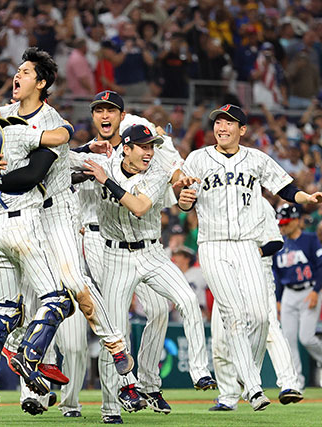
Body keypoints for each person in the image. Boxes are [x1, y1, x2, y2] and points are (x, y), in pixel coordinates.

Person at [0, 50, 132, 415]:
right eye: (16, 70)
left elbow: (35, 171)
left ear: (41, 83)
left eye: (24, 72)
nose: (16, 77)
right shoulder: (2, 114)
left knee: (75, 285)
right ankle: (27, 371)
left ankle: (116, 347)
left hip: (56, 211)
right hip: (22, 218)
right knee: (25, 296)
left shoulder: (51, 120)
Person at [178, 104, 322, 411]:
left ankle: (248, 377)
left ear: (242, 130)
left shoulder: (255, 158)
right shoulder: (198, 158)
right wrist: (184, 200)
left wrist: (306, 198)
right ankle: (254, 389)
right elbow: (184, 197)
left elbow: (285, 187)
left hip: (246, 246)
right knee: (232, 316)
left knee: (259, 317)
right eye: (218, 121)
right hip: (214, 244)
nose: (222, 127)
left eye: (230, 123)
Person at [84, 124, 215, 424]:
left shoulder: (156, 170)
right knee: (115, 335)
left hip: (152, 252)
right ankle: (110, 408)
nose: (149, 152)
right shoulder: (104, 164)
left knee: (187, 300)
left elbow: (140, 206)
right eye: (143, 146)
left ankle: (199, 371)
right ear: (125, 148)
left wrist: (107, 182)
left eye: (151, 146)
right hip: (115, 255)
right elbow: (68, 166)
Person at [72, 91, 176, 416]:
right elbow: (57, 162)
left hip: (141, 244)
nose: (104, 115)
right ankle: (113, 402)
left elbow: (164, 189)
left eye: (111, 110)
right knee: (113, 322)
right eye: (99, 110)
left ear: (122, 116)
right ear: (94, 117)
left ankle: (147, 383)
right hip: (99, 240)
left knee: (159, 308)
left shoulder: (140, 151)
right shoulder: (91, 152)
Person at [210, 198, 303, 411]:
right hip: (224, 271)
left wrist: (249, 255)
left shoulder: (260, 204)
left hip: (257, 269)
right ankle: (228, 396)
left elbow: (275, 241)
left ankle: (288, 383)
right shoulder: (217, 198)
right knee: (220, 338)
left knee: (268, 326)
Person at [273, 203, 322, 391]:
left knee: (307, 338)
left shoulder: (309, 240)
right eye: (280, 224)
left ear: (296, 220)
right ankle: (295, 382)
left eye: (285, 223)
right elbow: (276, 274)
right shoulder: (279, 243)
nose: (282, 227)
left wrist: (316, 291)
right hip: (288, 294)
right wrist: (277, 299)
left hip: (309, 290)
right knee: (288, 340)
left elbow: (320, 267)